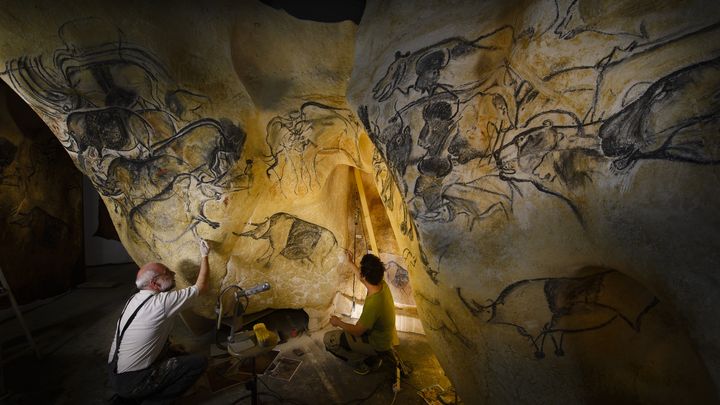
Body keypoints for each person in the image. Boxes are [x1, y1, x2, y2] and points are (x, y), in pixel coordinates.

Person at [107, 238, 211, 404]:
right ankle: (153, 401)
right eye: (167, 273)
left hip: (116, 373)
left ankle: (134, 395)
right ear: (155, 283)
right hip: (132, 381)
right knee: (198, 363)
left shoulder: (134, 299)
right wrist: (205, 255)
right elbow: (202, 286)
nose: (173, 274)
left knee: (180, 352)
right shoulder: (161, 303)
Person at [324, 253, 399, 375]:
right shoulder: (380, 283)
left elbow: (357, 331)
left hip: (377, 344)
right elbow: (363, 277)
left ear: (365, 276)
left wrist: (338, 322)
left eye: (361, 268)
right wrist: (350, 263)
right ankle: (374, 356)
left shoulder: (374, 304)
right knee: (354, 329)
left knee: (329, 339)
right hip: (383, 337)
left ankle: (365, 362)